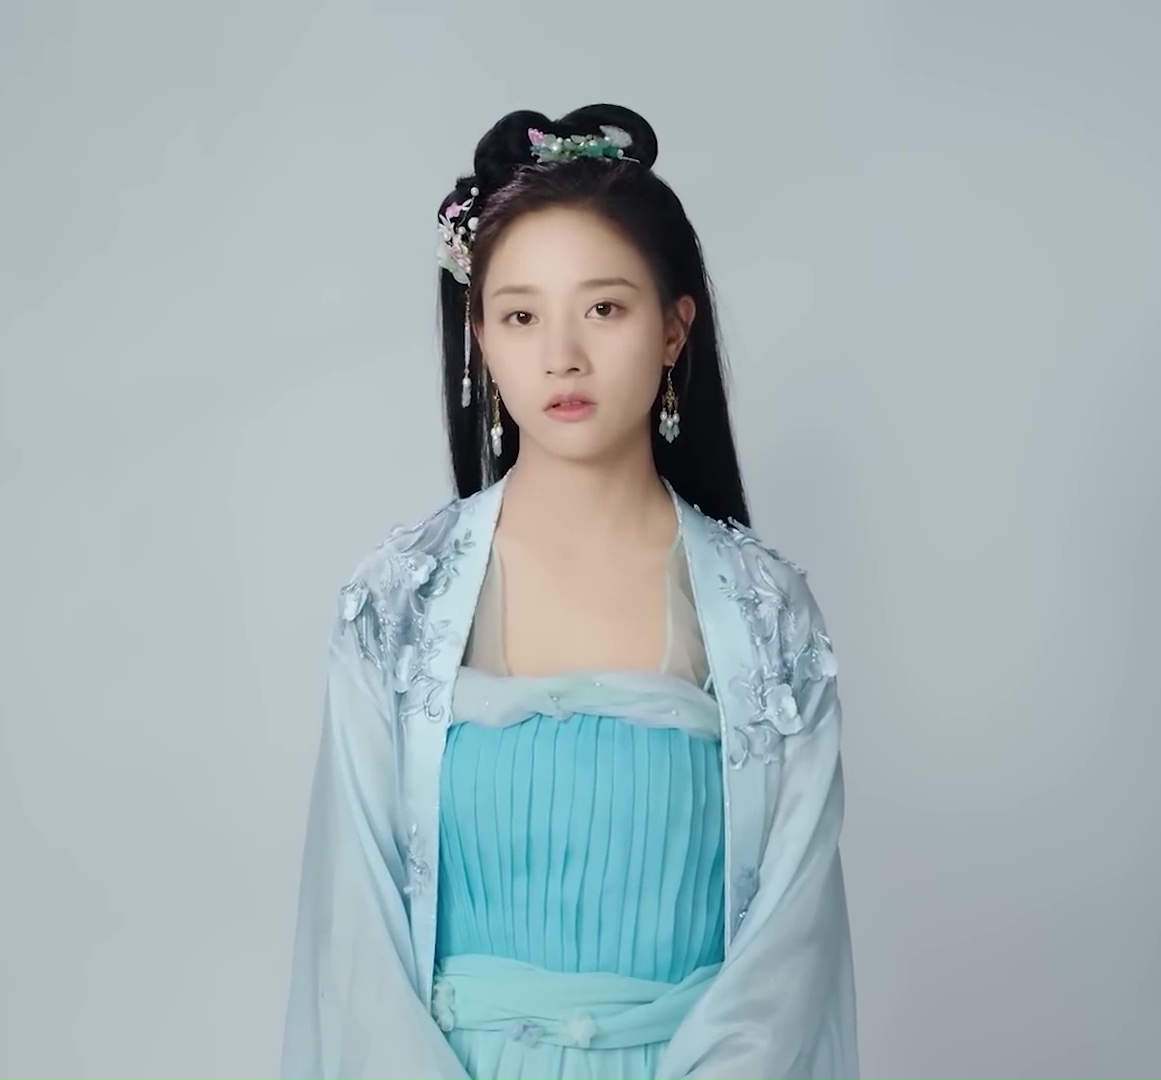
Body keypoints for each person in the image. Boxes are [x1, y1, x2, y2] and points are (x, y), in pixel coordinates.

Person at [280, 103, 858, 1080]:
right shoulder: (397, 605)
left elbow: (786, 968)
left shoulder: (765, 616)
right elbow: (357, 952)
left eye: (604, 309)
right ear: (480, 336)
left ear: (674, 328)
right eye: (521, 316)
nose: (562, 356)